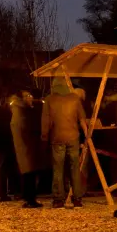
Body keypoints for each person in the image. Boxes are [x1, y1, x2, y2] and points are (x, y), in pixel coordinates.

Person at [42, 77, 88, 207]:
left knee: (58, 169)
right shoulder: (75, 99)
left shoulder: (49, 100)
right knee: (75, 168)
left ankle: (58, 199)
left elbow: (45, 121)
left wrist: (44, 137)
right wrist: (87, 135)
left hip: (57, 138)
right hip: (73, 137)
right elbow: (82, 119)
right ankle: (77, 198)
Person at [9, 89, 44, 207]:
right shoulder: (22, 111)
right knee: (29, 173)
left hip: (24, 146)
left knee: (28, 172)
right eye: (27, 95)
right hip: (26, 145)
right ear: (22, 99)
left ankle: (28, 198)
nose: (30, 97)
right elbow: (27, 128)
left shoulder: (20, 110)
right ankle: (30, 199)